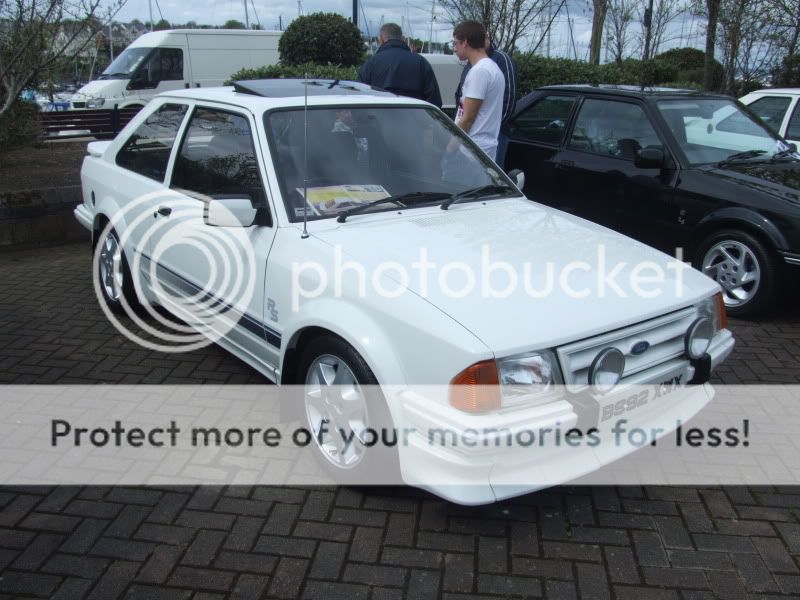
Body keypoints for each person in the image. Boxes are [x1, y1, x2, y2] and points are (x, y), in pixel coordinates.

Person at [454, 35, 519, 167]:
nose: (454, 49)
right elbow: (461, 95)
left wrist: (492, 125)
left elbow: (509, 98)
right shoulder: (472, 64)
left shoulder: (498, 62)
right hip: (470, 136)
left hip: (486, 136)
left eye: (455, 44)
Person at [451, 21, 505, 161]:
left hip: (470, 152)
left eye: (455, 43)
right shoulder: (492, 68)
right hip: (482, 150)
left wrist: (449, 149)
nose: (454, 49)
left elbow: (468, 118)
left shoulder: (480, 72)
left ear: (465, 42)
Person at [357, 23, 442, 108]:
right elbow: (434, 101)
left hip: (379, 119)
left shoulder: (369, 64)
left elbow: (359, 99)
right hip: (414, 119)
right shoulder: (421, 63)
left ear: (381, 39)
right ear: (402, 39)